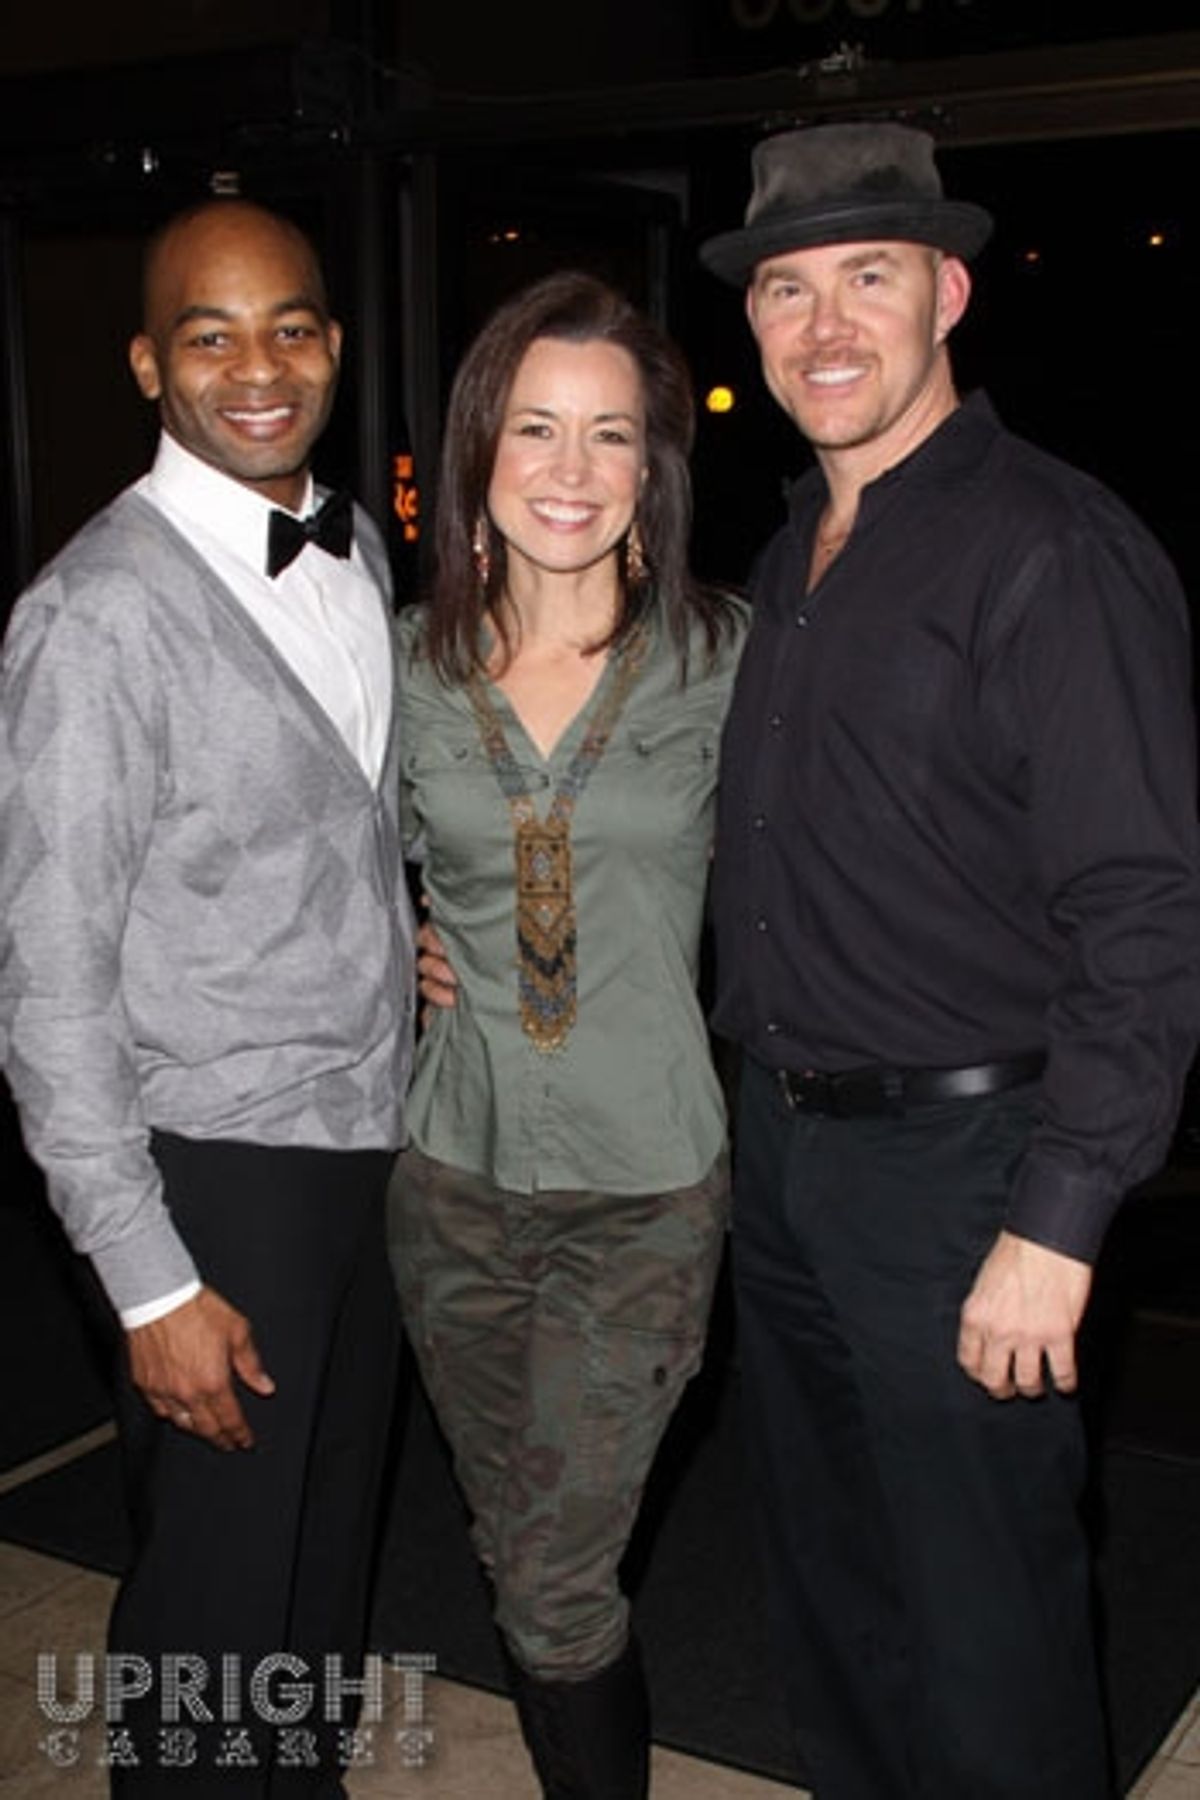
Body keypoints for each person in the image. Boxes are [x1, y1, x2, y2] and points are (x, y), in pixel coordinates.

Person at [699, 122, 1200, 1798]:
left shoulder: (1051, 550)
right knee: (838, 1604)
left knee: (991, 1633)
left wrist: (1057, 1222)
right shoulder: (791, 561)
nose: (824, 326)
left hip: (964, 1173)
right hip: (785, 1158)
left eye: (869, 278)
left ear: (949, 294)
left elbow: (1143, 912)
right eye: (788, 287)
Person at [0, 199, 415, 1795]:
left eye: (292, 325)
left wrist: (406, 942)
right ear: (144, 364)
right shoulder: (95, 615)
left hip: (364, 1154)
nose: (260, 368)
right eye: (209, 334)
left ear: (334, 343)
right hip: (215, 1177)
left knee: (316, 1603)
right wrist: (148, 1278)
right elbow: (47, 977)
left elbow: (335, 832)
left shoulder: (358, 544)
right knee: (214, 1628)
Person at [387, 270, 745, 1800]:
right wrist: (379, 953)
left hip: (645, 1193)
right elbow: (292, 868)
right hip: (450, 1182)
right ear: (479, 454)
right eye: (535, 428)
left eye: (609, 435)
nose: (571, 470)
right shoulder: (396, 666)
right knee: (507, 1531)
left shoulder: (731, 659)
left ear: (651, 467)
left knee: (552, 1571)